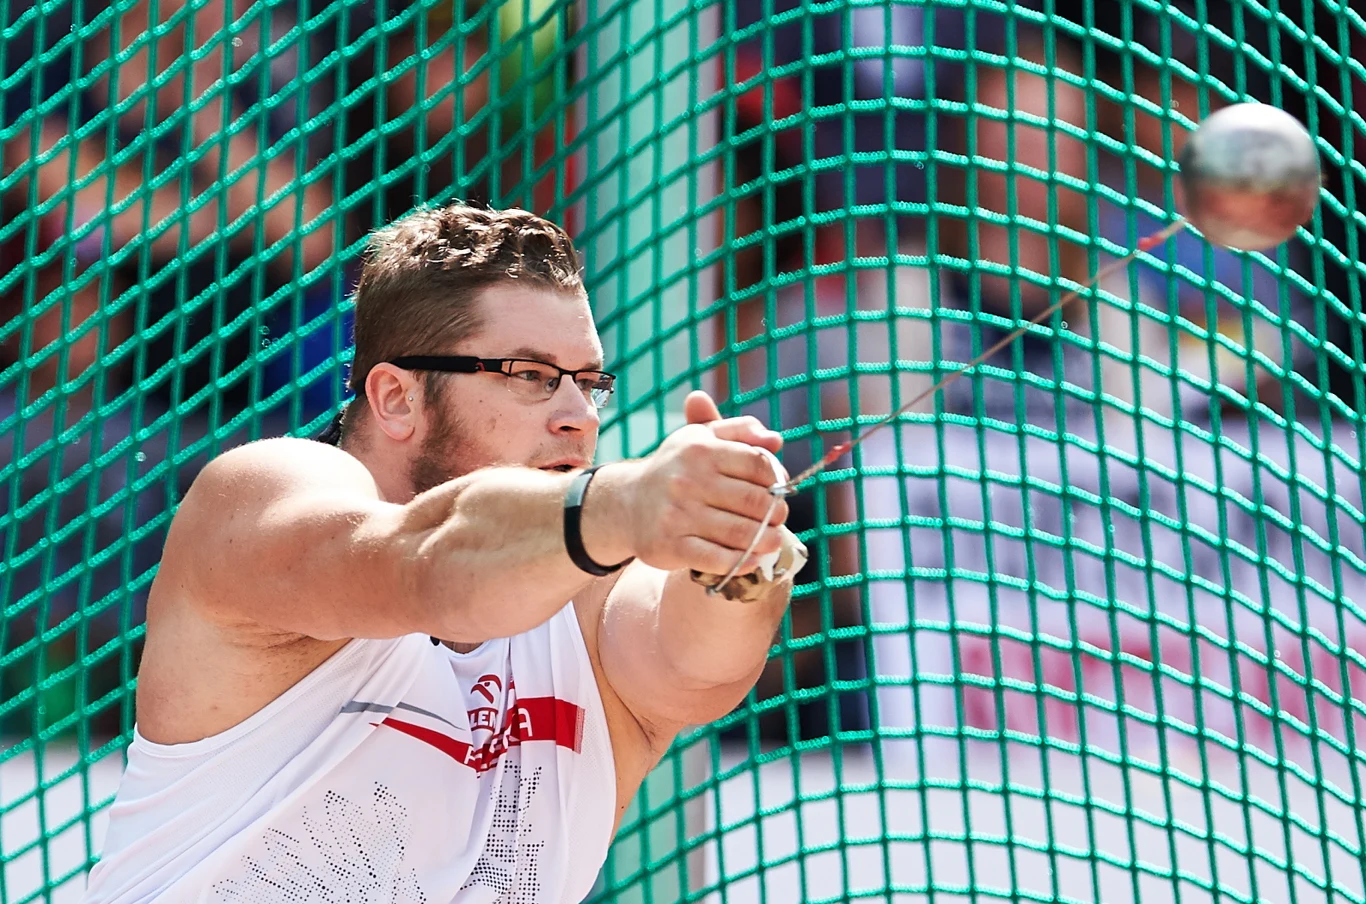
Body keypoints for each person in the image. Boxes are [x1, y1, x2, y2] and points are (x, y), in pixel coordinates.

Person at [82, 204, 807, 903]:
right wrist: (626, 503)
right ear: (396, 398)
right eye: (530, 375)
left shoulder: (586, 593)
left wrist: (739, 550)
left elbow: (698, 667)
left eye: (590, 383)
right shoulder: (267, 494)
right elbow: (429, 565)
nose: (579, 417)